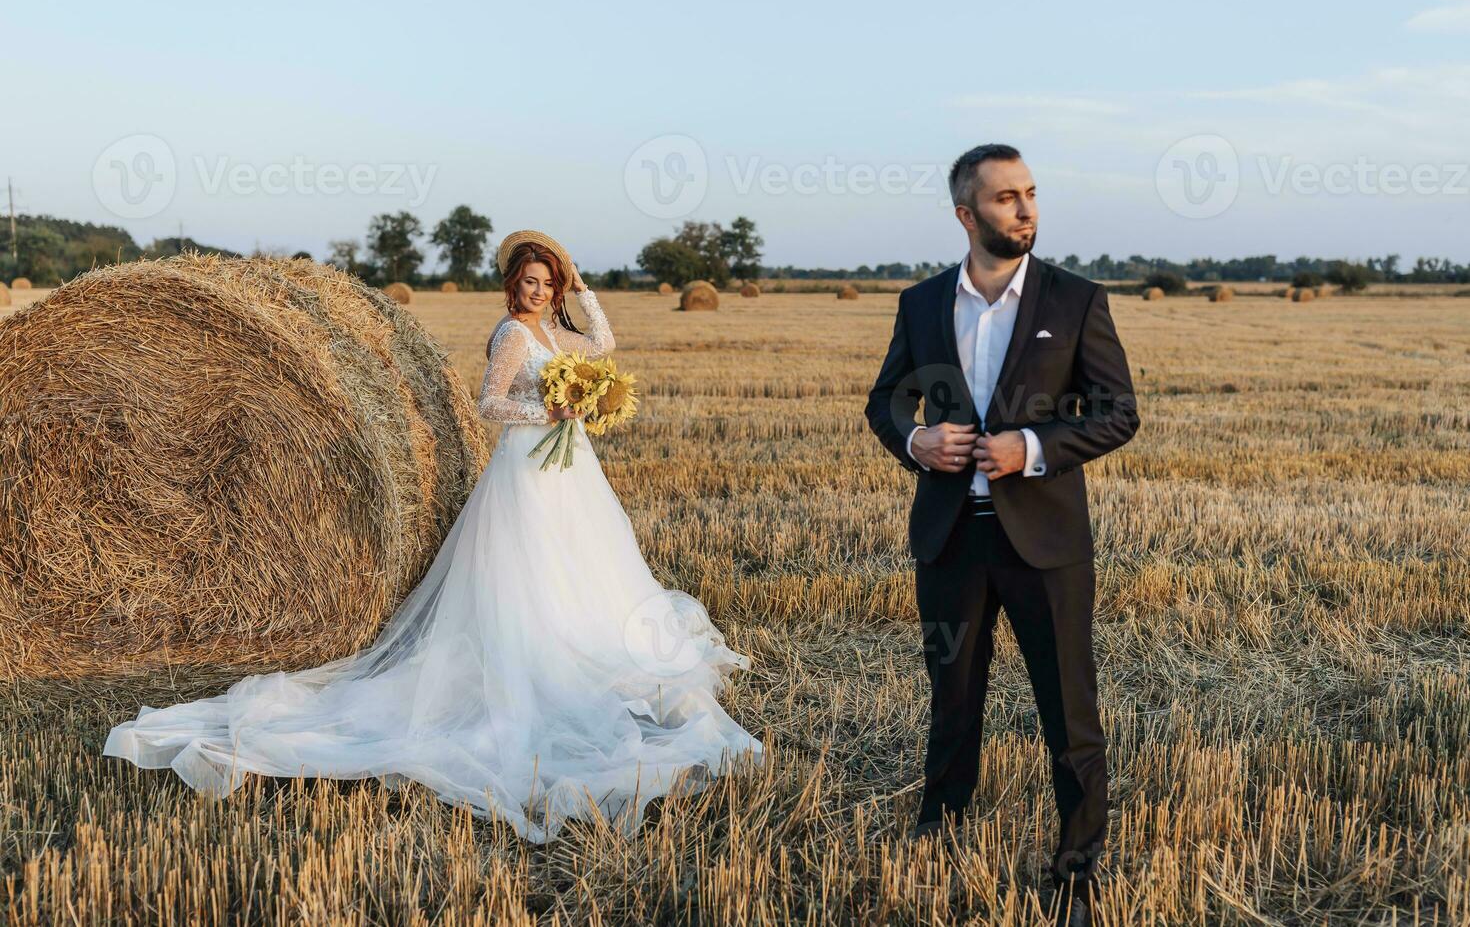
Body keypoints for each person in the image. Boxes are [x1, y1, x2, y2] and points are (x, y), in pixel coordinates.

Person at [104, 229, 763, 843]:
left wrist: (580, 287)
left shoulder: (557, 332)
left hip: (569, 471)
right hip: (526, 470)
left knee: (579, 565)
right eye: (531, 282)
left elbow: (607, 345)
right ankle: (533, 655)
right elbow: (487, 403)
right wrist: (548, 408)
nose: (538, 291)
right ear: (514, 286)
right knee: (528, 571)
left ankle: (574, 640)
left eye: (547, 283)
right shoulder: (511, 334)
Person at [865, 145, 1139, 924]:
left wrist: (1037, 448)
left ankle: (1079, 864)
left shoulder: (1074, 300)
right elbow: (887, 399)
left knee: (1068, 708)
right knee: (952, 695)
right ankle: (941, 829)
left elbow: (1120, 413)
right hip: (950, 538)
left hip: (1046, 546)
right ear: (965, 214)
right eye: (1005, 199)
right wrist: (914, 442)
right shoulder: (921, 304)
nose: (1025, 210)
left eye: (1030, 195)